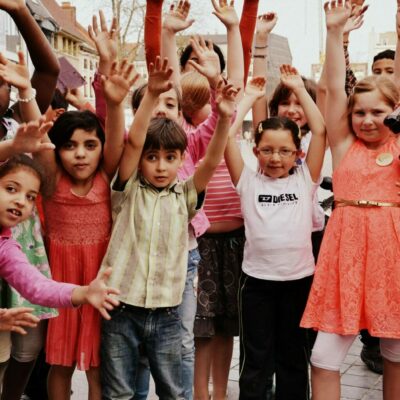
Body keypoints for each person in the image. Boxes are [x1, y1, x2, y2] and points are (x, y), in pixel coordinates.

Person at [99, 56, 237, 399]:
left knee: (175, 391)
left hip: (167, 313)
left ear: (180, 159)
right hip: (121, 310)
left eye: (170, 158)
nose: (161, 166)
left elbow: (212, 158)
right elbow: (132, 143)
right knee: (120, 392)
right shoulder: (126, 189)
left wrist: (223, 117)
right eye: (152, 157)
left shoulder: (185, 195)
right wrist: (152, 95)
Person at [300, 2, 400, 400]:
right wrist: (334, 32)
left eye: (378, 112)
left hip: (392, 255)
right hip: (346, 255)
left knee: (396, 352)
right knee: (324, 356)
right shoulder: (344, 144)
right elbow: (329, 90)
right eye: (360, 112)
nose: (368, 120)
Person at [33, 60, 138, 400]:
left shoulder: (105, 175)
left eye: (89, 145)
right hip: (61, 284)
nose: (80, 154)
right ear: (59, 150)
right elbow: (38, 135)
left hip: (99, 281)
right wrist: (25, 91)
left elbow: (118, 143)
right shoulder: (51, 181)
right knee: (60, 364)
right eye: (70, 146)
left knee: (97, 366)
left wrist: (117, 103)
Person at [224, 65, 326, 400]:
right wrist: (250, 97)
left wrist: (298, 86)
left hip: (298, 283)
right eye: (267, 150)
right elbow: (226, 136)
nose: (275, 157)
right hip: (257, 285)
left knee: (293, 358)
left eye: (285, 151)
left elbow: (321, 132)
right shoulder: (248, 181)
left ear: (298, 153)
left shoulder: (304, 180)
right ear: (255, 152)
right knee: (256, 360)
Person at [0, 138, 119, 381]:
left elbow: (37, 286)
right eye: (11, 189)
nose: (21, 201)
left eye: (31, 197)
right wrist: (13, 147)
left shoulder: (6, 247)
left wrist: (83, 293)